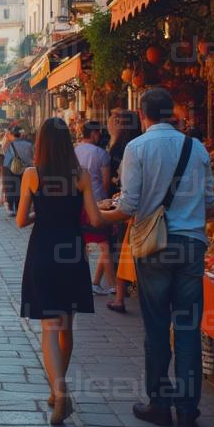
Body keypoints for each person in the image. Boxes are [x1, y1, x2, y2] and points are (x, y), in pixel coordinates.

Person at [111, 88, 214, 427]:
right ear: (171, 113)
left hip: (155, 245)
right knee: (187, 328)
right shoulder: (196, 148)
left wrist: (101, 214)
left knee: (156, 327)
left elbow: (129, 204)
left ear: (143, 115)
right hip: (191, 244)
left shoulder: (137, 147)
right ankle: (187, 410)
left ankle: (159, 403)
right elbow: (210, 200)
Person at [16, 117, 109, 425]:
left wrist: (40, 213)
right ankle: (58, 389)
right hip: (71, 252)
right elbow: (95, 219)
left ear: (41, 143)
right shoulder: (80, 175)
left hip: (43, 250)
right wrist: (122, 212)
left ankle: (59, 391)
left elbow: (20, 220)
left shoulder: (32, 174)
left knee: (49, 328)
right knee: (66, 325)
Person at [104, 109, 143, 313]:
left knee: (122, 247)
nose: (113, 124)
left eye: (117, 121)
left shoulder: (125, 148)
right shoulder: (139, 144)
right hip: (138, 207)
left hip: (123, 205)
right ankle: (126, 290)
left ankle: (121, 294)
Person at [73, 121, 115, 297]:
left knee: (85, 242)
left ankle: (94, 282)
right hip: (97, 203)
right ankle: (113, 285)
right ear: (94, 134)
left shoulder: (74, 151)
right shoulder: (101, 154)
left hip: (78, 203)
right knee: (104, 243)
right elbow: (106, 181)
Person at [3, 126, 35, 217]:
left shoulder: (9, 144)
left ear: (13, 135)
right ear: (21, 134)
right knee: (23, 189)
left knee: (12, 188)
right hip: (26, 169)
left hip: (11, 168)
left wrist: (6, 138)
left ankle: (11, 209)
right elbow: (32, 156)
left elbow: (4, 152)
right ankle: (21, 209)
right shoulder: (29, 144)